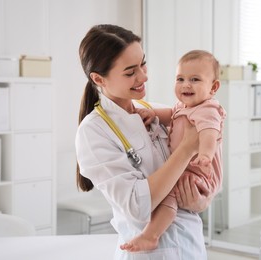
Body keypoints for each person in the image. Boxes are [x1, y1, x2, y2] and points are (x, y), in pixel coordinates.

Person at [75, 24, 215, 260]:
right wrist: (187, 148)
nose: (143, 76)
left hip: (191, 245)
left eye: (143, 64)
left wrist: (201, 200)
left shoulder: (154, 112)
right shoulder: (93, 131)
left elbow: (198, 172)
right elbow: (137, 206)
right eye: (130, 72)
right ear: (99, 79)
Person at [121, 50, 226, 252]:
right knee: (170, 188)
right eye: (180, 78)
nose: (186, 84)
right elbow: (171, 114)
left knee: (169, 191)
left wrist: (205, 154)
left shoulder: (208, 110)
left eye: (195, 79)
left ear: (213, 87)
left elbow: (209, 134)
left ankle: (151, 235)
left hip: (199, 172)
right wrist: (153, 114)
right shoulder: (184, 106)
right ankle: (152, 233)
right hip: (190, 170)